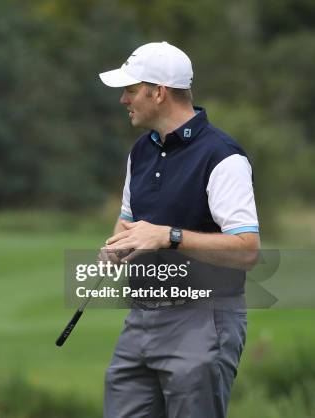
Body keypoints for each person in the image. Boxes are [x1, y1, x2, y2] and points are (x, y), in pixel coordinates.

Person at [98, 42, 260, 417]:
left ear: (159, 92)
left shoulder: (223, 156)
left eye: (131, 90)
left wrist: (169, 236)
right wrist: (116, 248)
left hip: (203, 321)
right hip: (140, 319)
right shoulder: (140, 151)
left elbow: (248, 249)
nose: (124, 100)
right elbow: (128, 222)